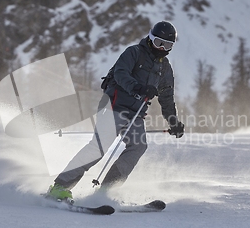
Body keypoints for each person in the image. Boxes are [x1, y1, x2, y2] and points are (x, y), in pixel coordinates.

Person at [47, 21, 185, 201]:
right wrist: (138, 87)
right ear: (151, 38)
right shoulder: (134, 53)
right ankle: (60, 187)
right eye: (159, 42)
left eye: (168, 45)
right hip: (113, 106)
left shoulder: (165, 68)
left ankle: (107, 191)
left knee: (138, 146)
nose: (162, 48)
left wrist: (173, 122)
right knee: (98, 148)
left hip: (135, 114)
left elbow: (167, 98)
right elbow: (121, 74)